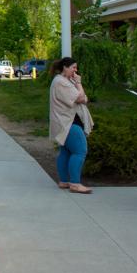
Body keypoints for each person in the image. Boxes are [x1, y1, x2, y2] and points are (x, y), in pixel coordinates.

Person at [49, 57, 93, 194]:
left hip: (64, 122)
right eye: (73, 67)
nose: (76, 70)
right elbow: (81, 98)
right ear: (65, 67)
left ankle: (64, 181)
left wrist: (78, 89)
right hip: (69, 123)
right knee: (80, 151)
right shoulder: (61, 82)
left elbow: (82, 99)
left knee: (66, 151)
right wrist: (79, 84)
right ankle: (75, 183)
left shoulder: (63, 81)